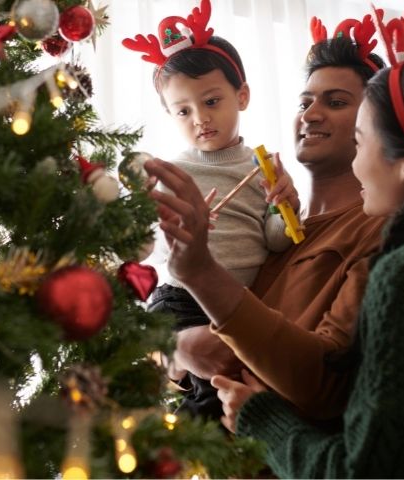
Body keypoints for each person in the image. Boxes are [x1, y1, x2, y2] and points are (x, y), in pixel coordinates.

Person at [227, 49, 404, 477]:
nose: (356, 162)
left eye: (360, 141)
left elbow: (364, 470)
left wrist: (260, 419)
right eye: (305, 101)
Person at [152, 14, 388, 424]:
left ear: (374, 125)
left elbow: (327, 380)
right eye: (305, 101)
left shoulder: (376, 231)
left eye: (335, 102)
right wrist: (172, 351)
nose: (311, 114)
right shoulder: (273, 222)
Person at [122, 0, 298, 421]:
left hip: (239, 301)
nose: (200, 118)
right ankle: (197, 445)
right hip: (182, 301)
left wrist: (285, 208)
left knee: (235, 385)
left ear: (242, 96)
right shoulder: (172, 173)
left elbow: (274, 242)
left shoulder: (264, 165)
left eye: (212, 101)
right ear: (169, 114)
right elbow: (154, 254)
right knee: (207, 390)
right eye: (183, 110)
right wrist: (180, 235)